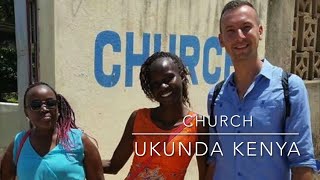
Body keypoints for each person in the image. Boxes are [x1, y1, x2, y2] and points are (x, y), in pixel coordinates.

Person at [206, 1, 317, 180]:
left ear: (260, 31)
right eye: (230, 31)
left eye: (246, 27)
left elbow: (302, 162)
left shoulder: (289, 88)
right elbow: (214, 158)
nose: (239, 36)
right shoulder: (216, 96)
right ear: (221, 40)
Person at [102, 51, 208, 179]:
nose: (163, 86)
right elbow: (113, 166)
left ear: (182, 76)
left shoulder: (199, 126)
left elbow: (205, 176)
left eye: (168, 78)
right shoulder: (138, 118)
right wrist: (78, 158)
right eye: (155, 84)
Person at [0, 82, 104, 180]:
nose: (44, 109)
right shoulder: (19, 143)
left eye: (50, 103)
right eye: (36, 105)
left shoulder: (79, 140)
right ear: (26, 112)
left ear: (58, 108)